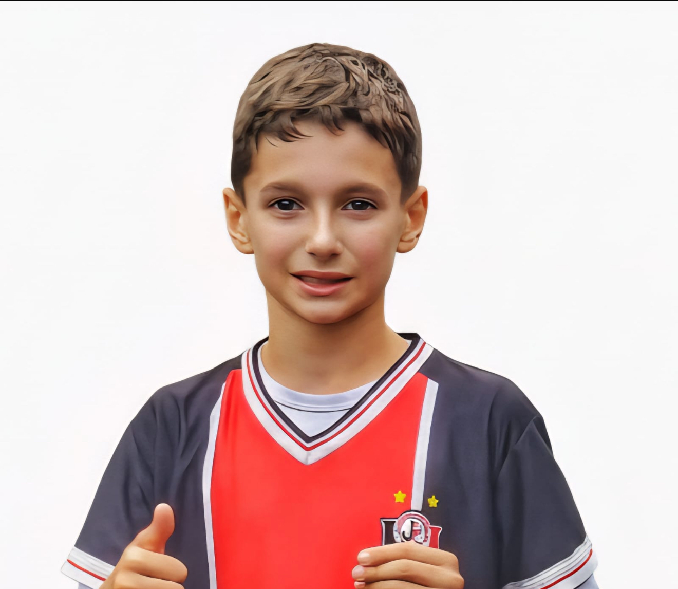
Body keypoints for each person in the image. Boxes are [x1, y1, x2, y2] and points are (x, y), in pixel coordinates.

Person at [61, 42, 600, 589]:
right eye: (286, 204)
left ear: (411, 218)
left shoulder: (489, 422)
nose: (322, 240)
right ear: (238, 218)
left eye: (358, 204)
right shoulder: (171, 427)